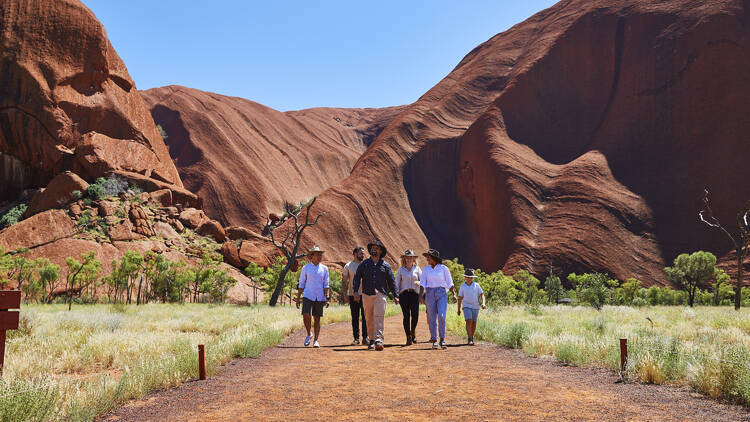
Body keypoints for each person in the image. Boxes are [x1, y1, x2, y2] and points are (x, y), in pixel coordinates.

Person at [353, 240, 399, 351]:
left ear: (380, 251)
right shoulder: (364, 264)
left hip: (380, 294)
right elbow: (357, 277)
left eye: (377, 248)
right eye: (373, 248)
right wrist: (355, 291)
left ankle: (379, 339)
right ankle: (372, 340)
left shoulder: (385, 265)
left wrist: (395, 295)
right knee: (369, 317)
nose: (374, 250)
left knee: (379, 316)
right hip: (367, 294)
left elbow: (391, 281)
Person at [419, 249, 456, 350]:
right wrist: (420, 296)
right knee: (431, 317)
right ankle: (434, 340)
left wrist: (454, 294)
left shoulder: (444, 268)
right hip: (430, 293)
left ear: (434, 258)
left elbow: (450, 282)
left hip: (441, 293)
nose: (427, 259)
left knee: (442, 316)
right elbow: (422, 283)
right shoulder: (426, 269)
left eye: (429, 257)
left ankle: (442, 339)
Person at [295, 245, 330, 348]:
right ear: (312, 256)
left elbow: (326, 284)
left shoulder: (324, 269)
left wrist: (327, 298)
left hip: (319, 296)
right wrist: (298, 298)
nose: (320, 256)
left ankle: (316, 340)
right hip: (308, 295)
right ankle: (309, 334)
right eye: (317, 254)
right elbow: (301, 283)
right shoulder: (306, 268)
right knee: (306, 314)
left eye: (320, 254)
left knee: (317, 318)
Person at [342, 246, 368, 345]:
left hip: (365, 294)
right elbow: (344, 281)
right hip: (353, 294)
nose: (363, 255)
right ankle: (356, 338)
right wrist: (345, 295)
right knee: (355, 317)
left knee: (365, 317)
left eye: (363, 253)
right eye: (361, 253)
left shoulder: (366, 265)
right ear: (355, 254)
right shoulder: (348, 266)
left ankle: (365, 338)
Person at [395, 249, 421, 345]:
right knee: (406, 316)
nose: (409, 259)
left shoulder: (417, 269)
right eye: (407, 257)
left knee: (415, 315)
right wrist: (396, 295)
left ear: (413, 259)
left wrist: (419, 282)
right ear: (404, 259)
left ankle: (413, 331)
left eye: (411, 257)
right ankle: (408, 337)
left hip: (414, 294)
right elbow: (396, 283)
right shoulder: (401, 270)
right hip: (404, 294)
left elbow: (423, 281)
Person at [457, 268, 486, 345]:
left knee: (474, 323)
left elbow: (482, 294)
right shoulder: (462, 286)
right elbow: (460, 298)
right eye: (467, 277)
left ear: (472, 278)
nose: (469, 278)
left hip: (475, 306)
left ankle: (471, 337)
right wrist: (459, 309)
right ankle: (470, 338)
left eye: (470, 277)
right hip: (466, 306)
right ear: (465, 277)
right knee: (468, 321)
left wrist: (483, 303)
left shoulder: (477, 285)